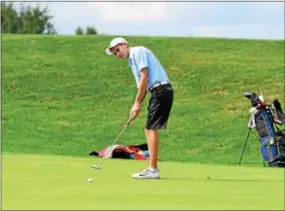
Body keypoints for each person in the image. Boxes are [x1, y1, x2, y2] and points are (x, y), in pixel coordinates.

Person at [105, 37, 174, 179]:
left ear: (125, 44)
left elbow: (145, 78)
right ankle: (152, 169)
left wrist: (137, 103)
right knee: (148, 128)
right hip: (157, 92)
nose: (118, 54)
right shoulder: (132, 62)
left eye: (118, 50)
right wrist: (136, 107)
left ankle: (153, 169)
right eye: (115, 53)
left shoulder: (138, 51)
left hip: (161, 89)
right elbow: (140, 86)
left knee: (150, 128)